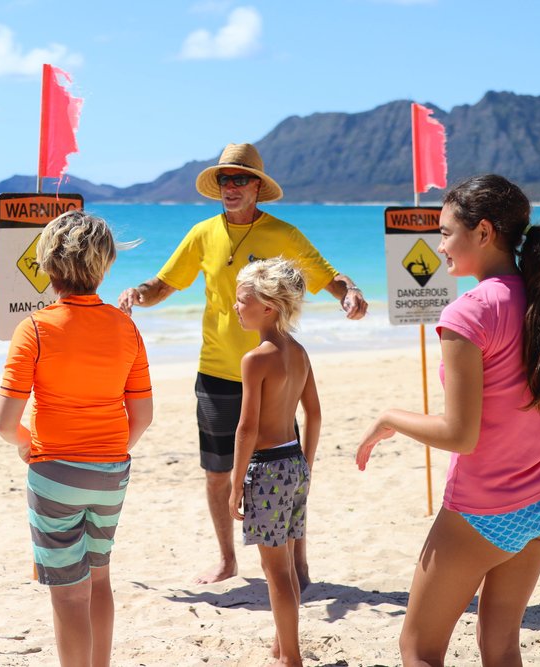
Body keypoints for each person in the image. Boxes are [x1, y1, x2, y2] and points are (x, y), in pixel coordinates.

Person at [355, 174, 540, 666]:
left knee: (419, 648)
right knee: (500, 646)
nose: (439, 246)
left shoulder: (469, 313)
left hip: (485, 510)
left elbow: (460, 434)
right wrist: (522, 461)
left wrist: (390, 416)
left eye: (444, 232)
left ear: (482, 232)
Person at [118, 142, 367, 585]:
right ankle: (227, 559)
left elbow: (330, 277)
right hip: (216, 372)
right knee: (217, 475)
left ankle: (297, 559)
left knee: (285, 473)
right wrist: (137, 293)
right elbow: (163, 283)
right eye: (224, 181)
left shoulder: (284, 236)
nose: (229, 188)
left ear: (257, 187)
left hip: (271, 372)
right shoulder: (201, 234)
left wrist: (350, 293)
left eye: (239, 180)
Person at [0, 210, 153, 667]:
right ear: (105, 266)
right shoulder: (127, 328)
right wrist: (109, 451)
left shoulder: (36, 329)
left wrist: (27, 443)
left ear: (46, 265)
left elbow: (5, 422)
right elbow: (142, 415)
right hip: (111, 471)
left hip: (55, 471)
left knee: (67, 595)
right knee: (99, 579)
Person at [229, 258, 320, 667]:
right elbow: (313, 414)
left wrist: (234, 487)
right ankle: (284, 645)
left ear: (268, 306)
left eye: (242, 300)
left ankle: (291, 657)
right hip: (293, 463)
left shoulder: (256, 359)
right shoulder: (298, 352)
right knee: (284, 563)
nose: (236, 307)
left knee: (275, 571)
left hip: (265, 469)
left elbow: (246, 429)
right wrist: (308, 463)